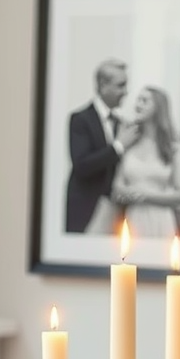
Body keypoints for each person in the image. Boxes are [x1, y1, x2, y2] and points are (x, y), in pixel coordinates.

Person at [65, 59, 139, 234]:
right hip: (86, 210)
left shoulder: (123, 124)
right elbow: (82, 165)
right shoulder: (80, 119)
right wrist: (118, 147)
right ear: (103, 85)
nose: (126, 91)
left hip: (116, 214)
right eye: (121, 85)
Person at [110, 86, 180, 239]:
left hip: (162, 220)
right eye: (138, 100)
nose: (138, 104)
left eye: (144, 100)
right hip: (133, 218)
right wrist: (128, 194)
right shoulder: (128, 143)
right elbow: (116, 189)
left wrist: (146, 195)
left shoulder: (171, 149)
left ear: (158, 107)